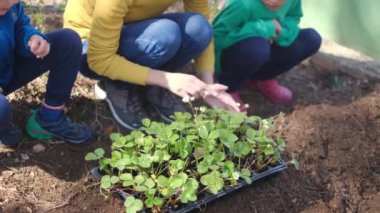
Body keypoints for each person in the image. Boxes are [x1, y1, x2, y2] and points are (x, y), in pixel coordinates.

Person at [63, 0, 240, 130]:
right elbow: (98, 59)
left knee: (199, 28)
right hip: (87, 46)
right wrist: (166, 78)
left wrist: (208, 87)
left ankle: (152, 85)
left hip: (130, 32)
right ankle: (118, 86)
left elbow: (203, 26)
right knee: (165, 34)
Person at [0, 0, 95, 147]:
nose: (12, 4)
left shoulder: (11, 5)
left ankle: (49, 118)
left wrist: (31, 38)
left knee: (68, 42)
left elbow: (19, 26)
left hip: (7, 69)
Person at [212, 0, 322, 111]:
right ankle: (229, 87)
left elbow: (293, 18)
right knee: (258, 48)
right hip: (234, 54)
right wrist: (265, 28)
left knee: (311, 39)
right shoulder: (242, 4)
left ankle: (262, 79)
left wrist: (281, 32)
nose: (273, 2)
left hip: (263, 49)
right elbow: (217, 37)